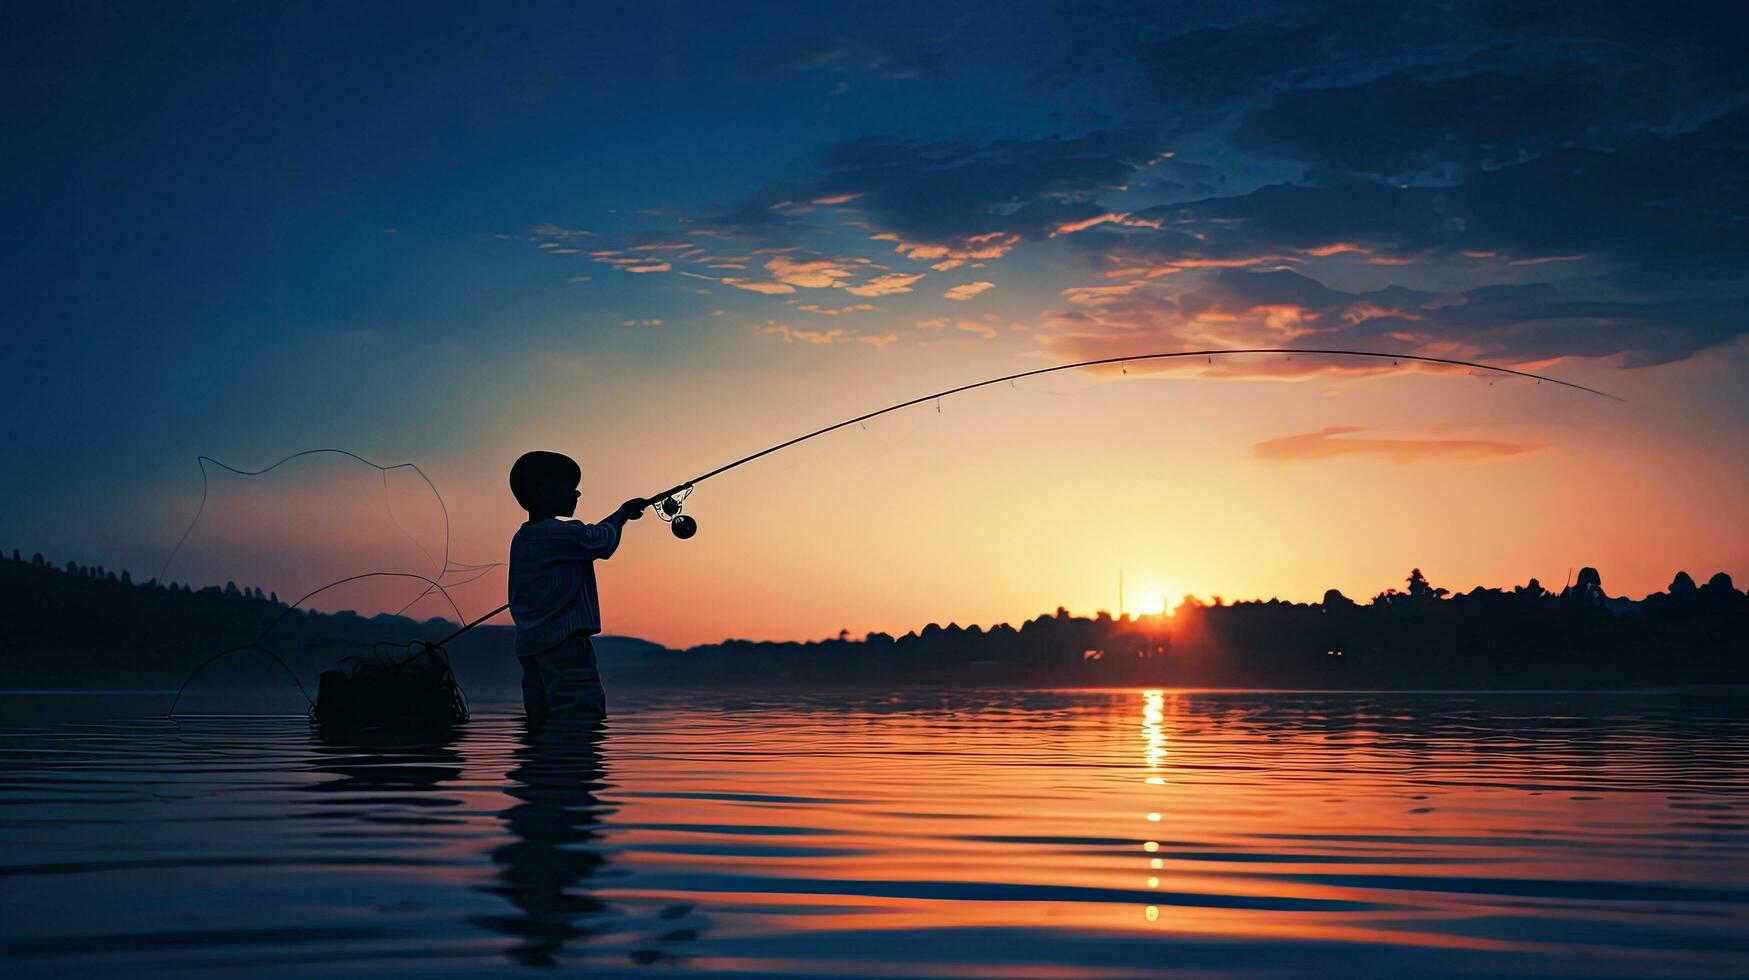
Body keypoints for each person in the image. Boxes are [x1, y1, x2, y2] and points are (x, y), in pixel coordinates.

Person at [507, 451, 645, 727]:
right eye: (570, 488)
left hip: (531, 646)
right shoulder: (558, 532)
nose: (577, 494)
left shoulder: (523, 537)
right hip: (565, 644)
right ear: (544, 491)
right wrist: (622, 514)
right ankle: (574, 768)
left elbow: (586, 537)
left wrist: (616, 518)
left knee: (540, 717)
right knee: (580, 715)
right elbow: (600, 541)